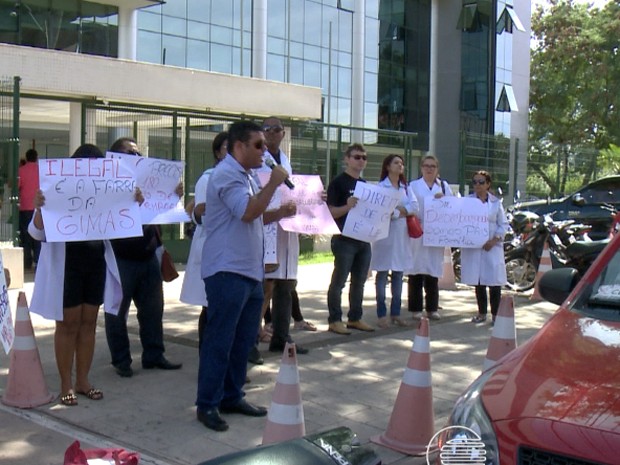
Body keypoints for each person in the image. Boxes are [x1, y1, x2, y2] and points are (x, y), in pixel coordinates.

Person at [196, 120, 290, 432]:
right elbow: (248, 212)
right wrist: (274, 183)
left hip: (248, 272)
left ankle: (232, 395)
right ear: (238, 147)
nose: (265, 151)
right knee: (220, 340)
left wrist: (281, 213)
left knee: (242, 340)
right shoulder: (226, 174)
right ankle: (207, 404)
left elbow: (255, 216)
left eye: (266, 145)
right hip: (227, 271)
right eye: (258, 145)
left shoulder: (246, 176)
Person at [28, 144, 124, 406]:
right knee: (68, 324)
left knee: (89, 323)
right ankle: (65, 383)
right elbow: (36, 233)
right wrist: (39, 208)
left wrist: (134, 200)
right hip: (67, 263)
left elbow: (125, 218)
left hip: (95, 262)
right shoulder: (55, 190)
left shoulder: (105, 192)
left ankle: (83, 380)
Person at [104, 137, 182, 378]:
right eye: (130, 153)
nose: (136, 157)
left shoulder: (149, 181)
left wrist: (173, 196)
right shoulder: (107, 185)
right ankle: (121, 360)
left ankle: (154, 355)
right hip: (121, 258)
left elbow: (160, 212)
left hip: (148, 255)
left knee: (153, 309)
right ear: (117, 158)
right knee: (117, 312)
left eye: (138, 153)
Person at [256, 116, 308, 355]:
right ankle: (251, 337)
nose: (272, 133)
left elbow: (294, 190)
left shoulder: (285, 159)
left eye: (276, 129)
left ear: (283, 133)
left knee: (286, 284)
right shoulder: (258, 159)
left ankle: (282, 336)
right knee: (266, 285)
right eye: (267, 129)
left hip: (287, 226)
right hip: (267, 224)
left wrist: (315, 199)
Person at [180, 131, 228, 350]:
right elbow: (203, 216)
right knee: (211, 306)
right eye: (228, 148)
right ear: (218, 152)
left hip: (234, 252)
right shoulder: (208, 179)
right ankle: (207, 355)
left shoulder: (247, 178)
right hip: (213, 249)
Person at [326, 143, 375, 334]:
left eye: (364, 157)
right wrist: (347, 207)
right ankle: (334, 319)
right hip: (344, 238)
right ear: (347, 159)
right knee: (339, 281)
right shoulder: (338, 183)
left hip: (363, 239)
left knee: (359, 281)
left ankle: (355, 317)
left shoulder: (365, 185)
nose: (361, 160)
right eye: (357, 157)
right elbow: (330, 212)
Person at [370, 155, 418, 328]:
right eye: (396, 163)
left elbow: (415, 206)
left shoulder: (406, 187)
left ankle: (396, 313)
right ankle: (381, 313)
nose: (400, 165)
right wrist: (400, 212)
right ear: (388, 166)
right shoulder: (380, 187)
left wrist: (398, 212)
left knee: (398, 273)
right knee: (382, 274)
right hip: (384, 236)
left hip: (401, 235)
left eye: (402, 163)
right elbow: (382, 210)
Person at [406, 155, 453, 320]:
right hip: (418, 230)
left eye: (433, 166)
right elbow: (409, 206)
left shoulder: (445, 187)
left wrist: (444, 200)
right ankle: (415, 308)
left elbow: (452, 208)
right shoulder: (413, 186)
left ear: (437, 169)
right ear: (421, 168)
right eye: (426, 165)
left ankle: (432, 308)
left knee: (433, 271)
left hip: (436, 233)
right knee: (416, 270)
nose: (429, 169)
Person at [461, 170, 509, 324]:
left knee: (494, 282)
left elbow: (503, 224)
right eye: (475, 182)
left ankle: (496, 315)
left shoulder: (496, 203)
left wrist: (494, 240)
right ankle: (481, 313)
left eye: (481, 182)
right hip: (474, 247)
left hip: (492, 247)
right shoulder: (466, 201)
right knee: (478, 281)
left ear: (488, 184)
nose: (477, 185)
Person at [18, 148, 41, 270]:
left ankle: (27, 262)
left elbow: (17, 186)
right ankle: (38, 261)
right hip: (39, 208)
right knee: (38, 236)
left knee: (26, 236)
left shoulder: (21, 171)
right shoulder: (41, 170)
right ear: (36, 158)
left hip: (25, 207)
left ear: (26, 158)